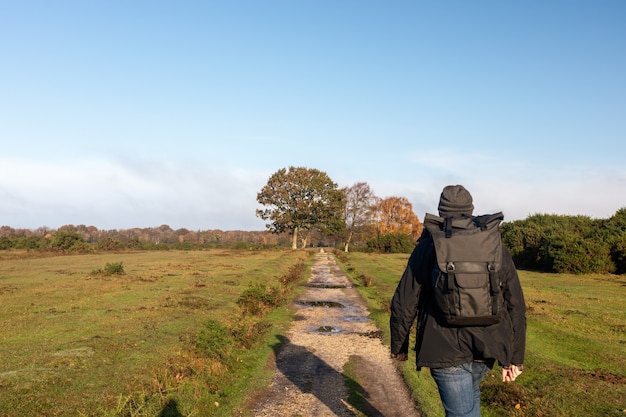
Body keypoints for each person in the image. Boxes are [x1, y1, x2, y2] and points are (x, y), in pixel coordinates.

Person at [389, 185, 526, 417]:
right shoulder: (494, 245)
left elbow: (404, 302)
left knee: (463, 413)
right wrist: (515, 358)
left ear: (441, 210)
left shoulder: (428, 245)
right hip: (488, 346)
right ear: (471, 209)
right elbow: (516, 304)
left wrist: (399, 346)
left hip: (444, 347)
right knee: (469, 408)